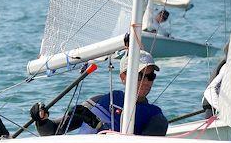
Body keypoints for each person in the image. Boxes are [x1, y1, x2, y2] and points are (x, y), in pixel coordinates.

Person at [30, 50, 168, 136]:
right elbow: (52, 132)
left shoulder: (156, 118)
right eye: (139, 75)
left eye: (150, 76)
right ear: (123, 77)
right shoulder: (99, 102)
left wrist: (98, 126)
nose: (146, 82)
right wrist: (41, 120)